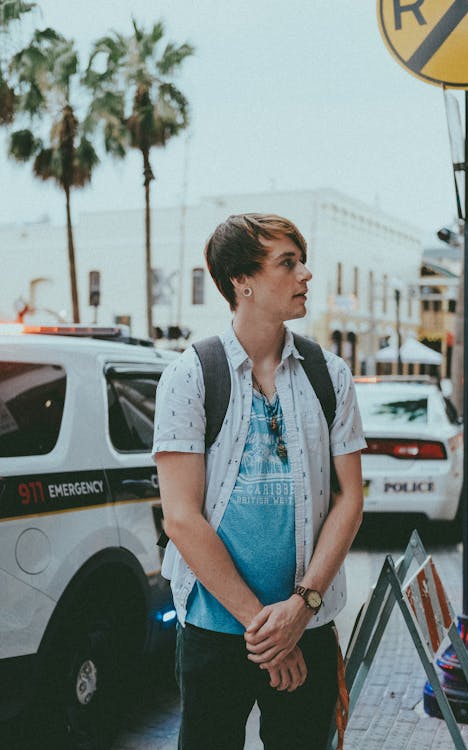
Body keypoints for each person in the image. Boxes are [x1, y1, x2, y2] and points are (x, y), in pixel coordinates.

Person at [153, 213, 366, 750]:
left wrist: (301, 609)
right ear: (241, 282)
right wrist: (268, 633)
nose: (305, 275)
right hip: (215, 631)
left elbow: (350, 498)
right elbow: (180, 516)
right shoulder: (191, 374)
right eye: (287, 263)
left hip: (310, 625)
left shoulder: (329, 374)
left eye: (302, 260)